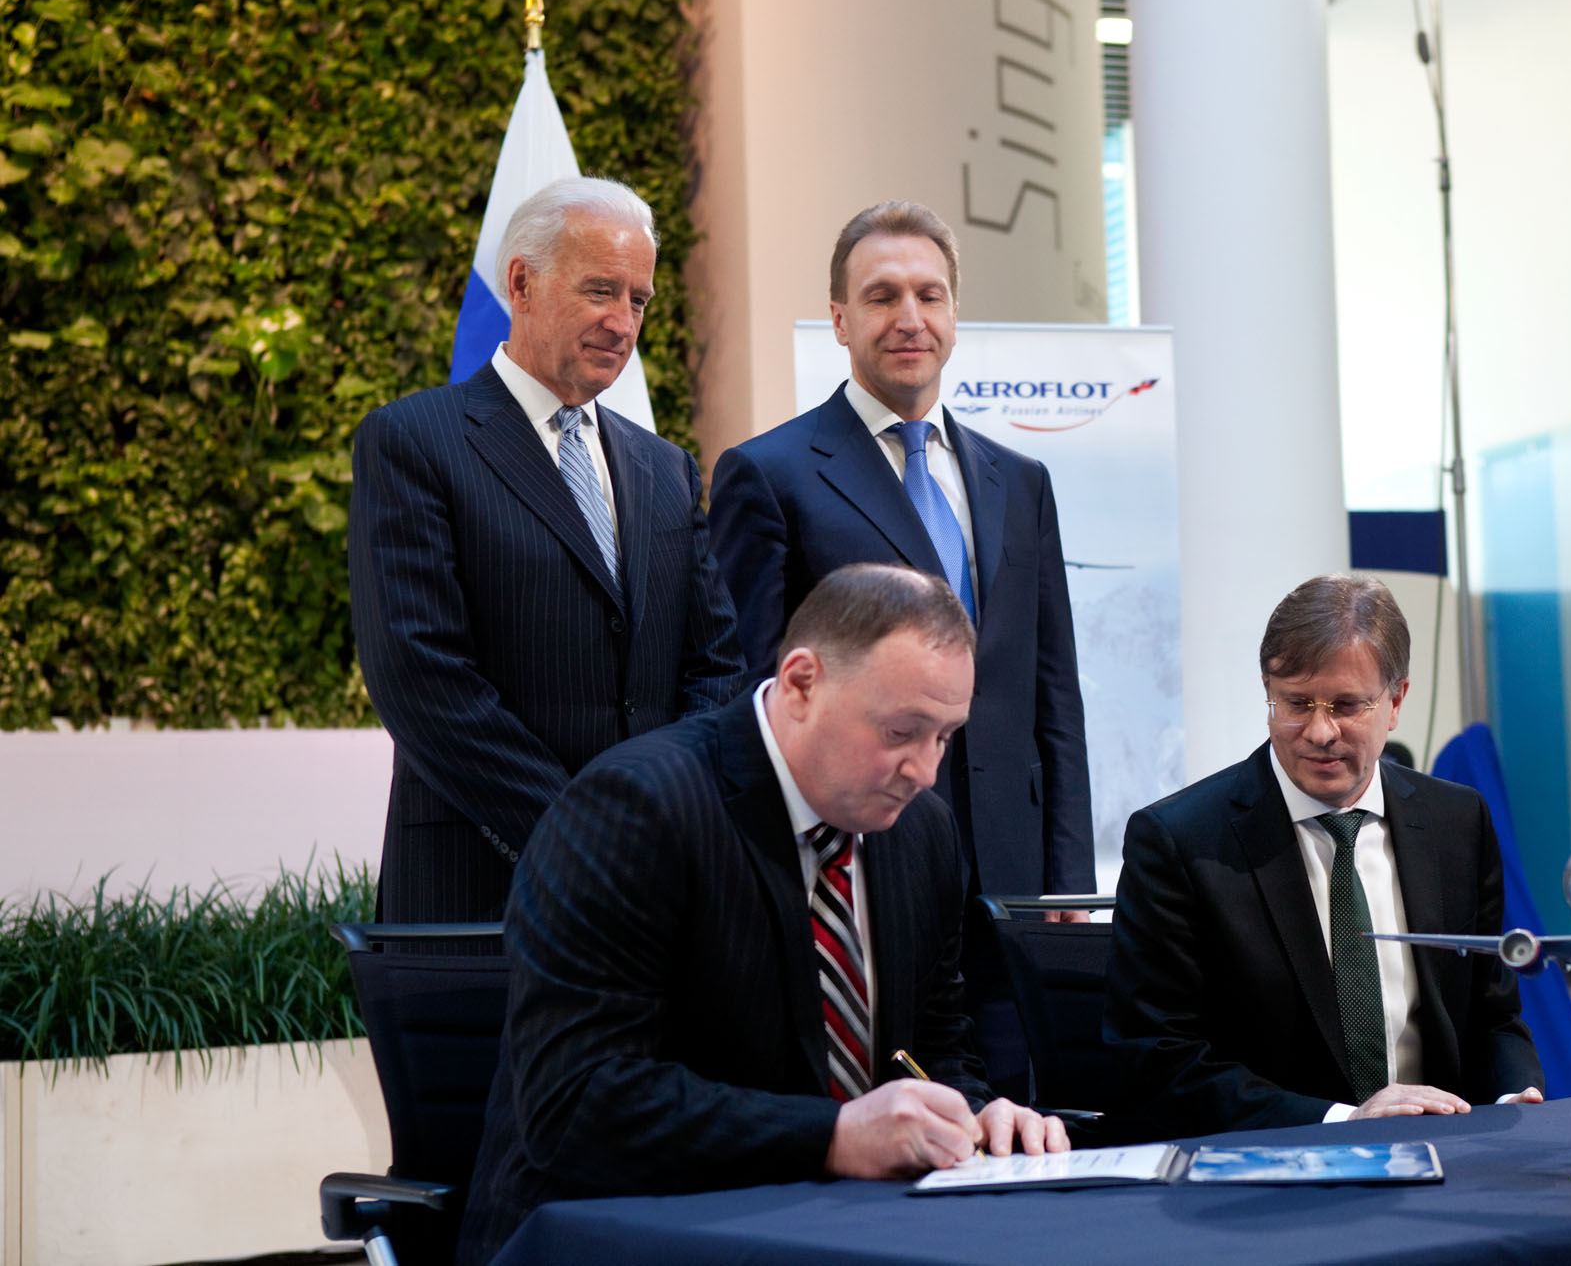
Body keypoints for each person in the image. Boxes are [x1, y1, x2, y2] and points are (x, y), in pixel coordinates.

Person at [457, 565, 1065, 1262]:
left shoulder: (920, 832)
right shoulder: (636, 808)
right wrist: (833, 1134)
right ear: (803, 682)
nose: (925, 770)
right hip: (616, 1235)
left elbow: (932, 1045)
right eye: (903, 730)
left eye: (945, 737)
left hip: (840, 1230)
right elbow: (576, 1105)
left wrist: (975, 1115)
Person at [708, 201, 1093, 1082]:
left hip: (1010, 880)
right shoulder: (771, 474)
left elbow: (1052, 692)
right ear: (839, 320)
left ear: (956, 312)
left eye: (930, 293)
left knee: (1005, 1119)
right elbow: (747, 689)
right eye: (881, 296)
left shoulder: (1020, 481)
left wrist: (1064, 872)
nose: (909, 317)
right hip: (855, 867)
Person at [349, 176, 742, 923]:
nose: (622, 322)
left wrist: (662, 815)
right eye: (601, 290)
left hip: (656, 890)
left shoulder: (667, 469)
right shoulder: (413, 442)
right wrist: (582, 832)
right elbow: (422, 679)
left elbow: (716, 665)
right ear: (522, 283)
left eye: (639, 300)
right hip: (483, 889)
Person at [1104, 574, 1544, 1140]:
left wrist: (1514, 1095)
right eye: (1295, 703)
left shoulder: (1457, 823)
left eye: (1345, 705)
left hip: (1442, 1158)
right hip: (1266, 1173)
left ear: (1396, 701)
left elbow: (1492, 1015)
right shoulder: (1180, 841)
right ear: (1267, 691)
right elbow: (1155, 1059)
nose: (1318, 731)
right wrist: (1342, 1121)